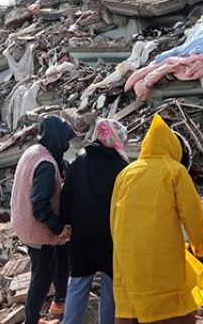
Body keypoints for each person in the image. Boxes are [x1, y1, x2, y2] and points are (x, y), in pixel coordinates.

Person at [111, 115, 203, 324]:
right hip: (161, 255)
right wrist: (200, 247)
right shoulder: (175, 171)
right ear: (174, 147)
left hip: (127, 254)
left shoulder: (126, 173)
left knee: (133, 305)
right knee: (169, 308)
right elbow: (192, 213)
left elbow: (113, 217)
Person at [60, 119, 128, 324]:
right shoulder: (121, 166)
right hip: (110, 236)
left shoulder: (80, 160)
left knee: (78, 283)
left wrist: (65, 223)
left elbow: (66, 194)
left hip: (81, 235)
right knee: (110, 286)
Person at [10, 115, 75, 324]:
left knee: (58, 255)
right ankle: (32, 319)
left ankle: (59, 300)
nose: (66, 146)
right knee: (42, 276)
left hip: (21, 220)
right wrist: (58, 228)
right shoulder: (46, 166)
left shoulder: (36, 151)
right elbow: (40, 206)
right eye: (65, 141)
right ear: (57, 139)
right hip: (34, 229)